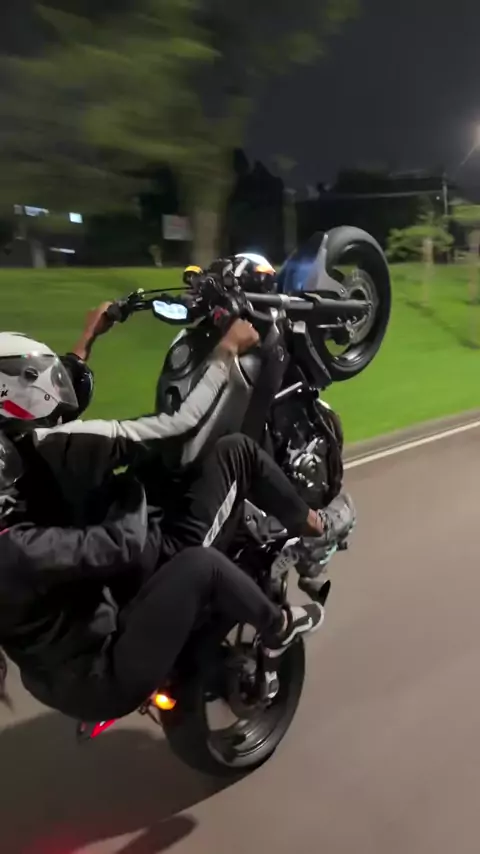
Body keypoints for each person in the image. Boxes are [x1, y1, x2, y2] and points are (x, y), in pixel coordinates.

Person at [0, 306, 355, 719]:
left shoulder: (22, 467)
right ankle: (287, 606)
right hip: (105, 671)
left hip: (81, 640)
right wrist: (226, 351)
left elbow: (53, 406)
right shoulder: (20, 542)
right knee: (220, 500)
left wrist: (88, 337)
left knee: (154, 476)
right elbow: (176, 435)